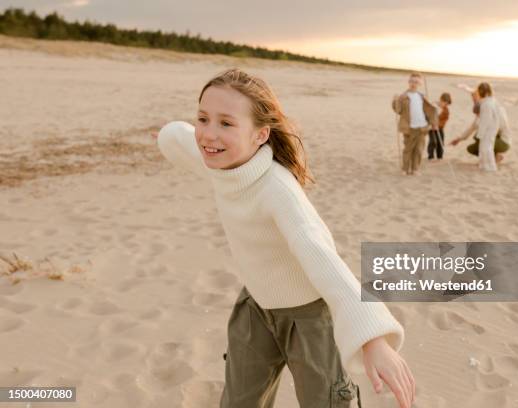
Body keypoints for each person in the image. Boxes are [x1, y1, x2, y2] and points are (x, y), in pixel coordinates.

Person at [154, 68, 415, 408]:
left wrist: (373, 338)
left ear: (261, 135)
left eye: (226, 123)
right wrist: (184, 131)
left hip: (309, 317)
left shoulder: (277, 190)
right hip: (256, 307)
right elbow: (175, 136)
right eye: (203, 118)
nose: (208, 135)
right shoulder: (219, 158)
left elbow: (323, 259)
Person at [450, 82, 511, 171]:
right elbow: (472, 127)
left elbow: (500, 127)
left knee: (481, 140)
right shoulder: (483, 108)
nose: (475, 100)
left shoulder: (495, 108)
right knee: (474, 146)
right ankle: (491, 159)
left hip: (503, 141)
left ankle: (494, 158)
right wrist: (459, 139)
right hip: (492, 136)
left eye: (475, 98)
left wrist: (485, 132)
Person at [392, 72, 439, 175]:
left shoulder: (421, 96)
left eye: (416, 82)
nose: (413, 84)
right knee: (408, 149)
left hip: (422, 127)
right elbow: (398, 110)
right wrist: (395, 101)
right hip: (409, 127)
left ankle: (415, 169)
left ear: (420, 84)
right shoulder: (403, 96)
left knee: (418, 150)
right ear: (409, 82)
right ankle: (405, 169)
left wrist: (434, 110)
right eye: (412, 81)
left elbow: (429, 110)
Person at [427, 92, 452, 160]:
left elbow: (444, 120)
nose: (445, 105)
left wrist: (438, 125)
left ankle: (439, 157)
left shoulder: (446, 111)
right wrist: (432, 124)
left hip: (440, 128)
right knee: (433, 141)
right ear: (441, 99)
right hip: (431, 128)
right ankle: (431, 156)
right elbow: (428, 115)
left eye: (446, 104)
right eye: (444, 102)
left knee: (440, 142)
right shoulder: (433, 105)